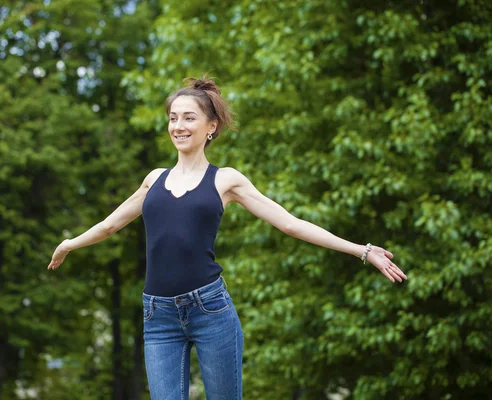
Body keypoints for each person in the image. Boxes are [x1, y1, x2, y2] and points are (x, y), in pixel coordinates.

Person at [47, 75, 408, 400]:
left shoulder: (226, 180)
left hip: (210, 310)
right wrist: (70, 243)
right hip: (158, 315)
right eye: (173, 118)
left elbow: (290, 224)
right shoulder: (153, 179)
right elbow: (111, 225)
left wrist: (363, 250)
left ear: (211, 127)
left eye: (189, 118)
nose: (179, 126)